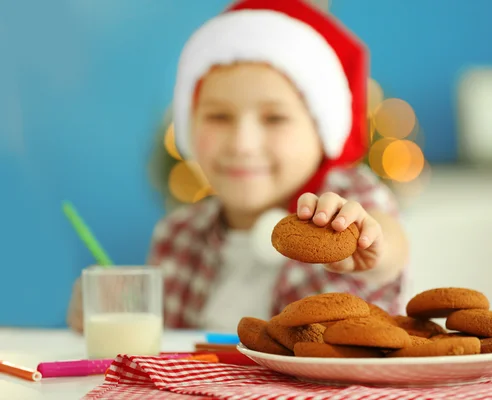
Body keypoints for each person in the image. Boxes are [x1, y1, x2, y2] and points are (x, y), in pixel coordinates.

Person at [67, 0, 408, 333]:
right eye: (218, 116)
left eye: (274, 118)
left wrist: (370, 243)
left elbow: (389, 244)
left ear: (322, 131)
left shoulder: (345, 199)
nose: (242, 144)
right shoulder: (178, 236)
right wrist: (113, 311)